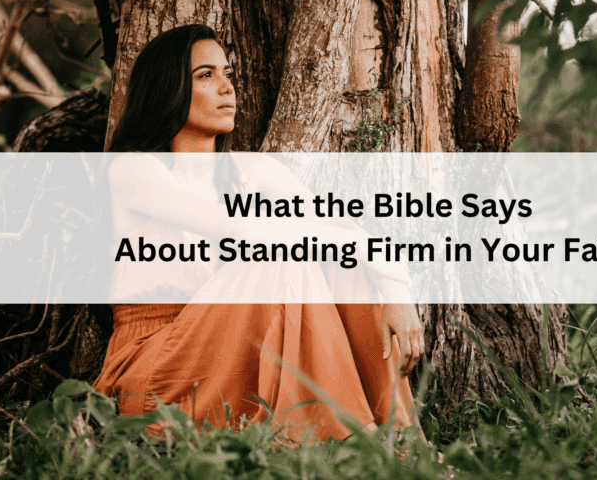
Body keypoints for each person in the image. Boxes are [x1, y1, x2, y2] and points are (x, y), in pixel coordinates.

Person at [93, 24, 424, 444]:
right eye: (206, 75)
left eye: (228, 74)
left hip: (234, 358)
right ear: (167, 88)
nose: (227, 88)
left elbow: (342, 228)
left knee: (351, 268)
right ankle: (351, 442)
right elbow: (246, 230)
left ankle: (398, 441)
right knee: (284, 253)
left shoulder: (253, 171)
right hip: (160, 374)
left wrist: (393, 284)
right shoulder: (134, 170)